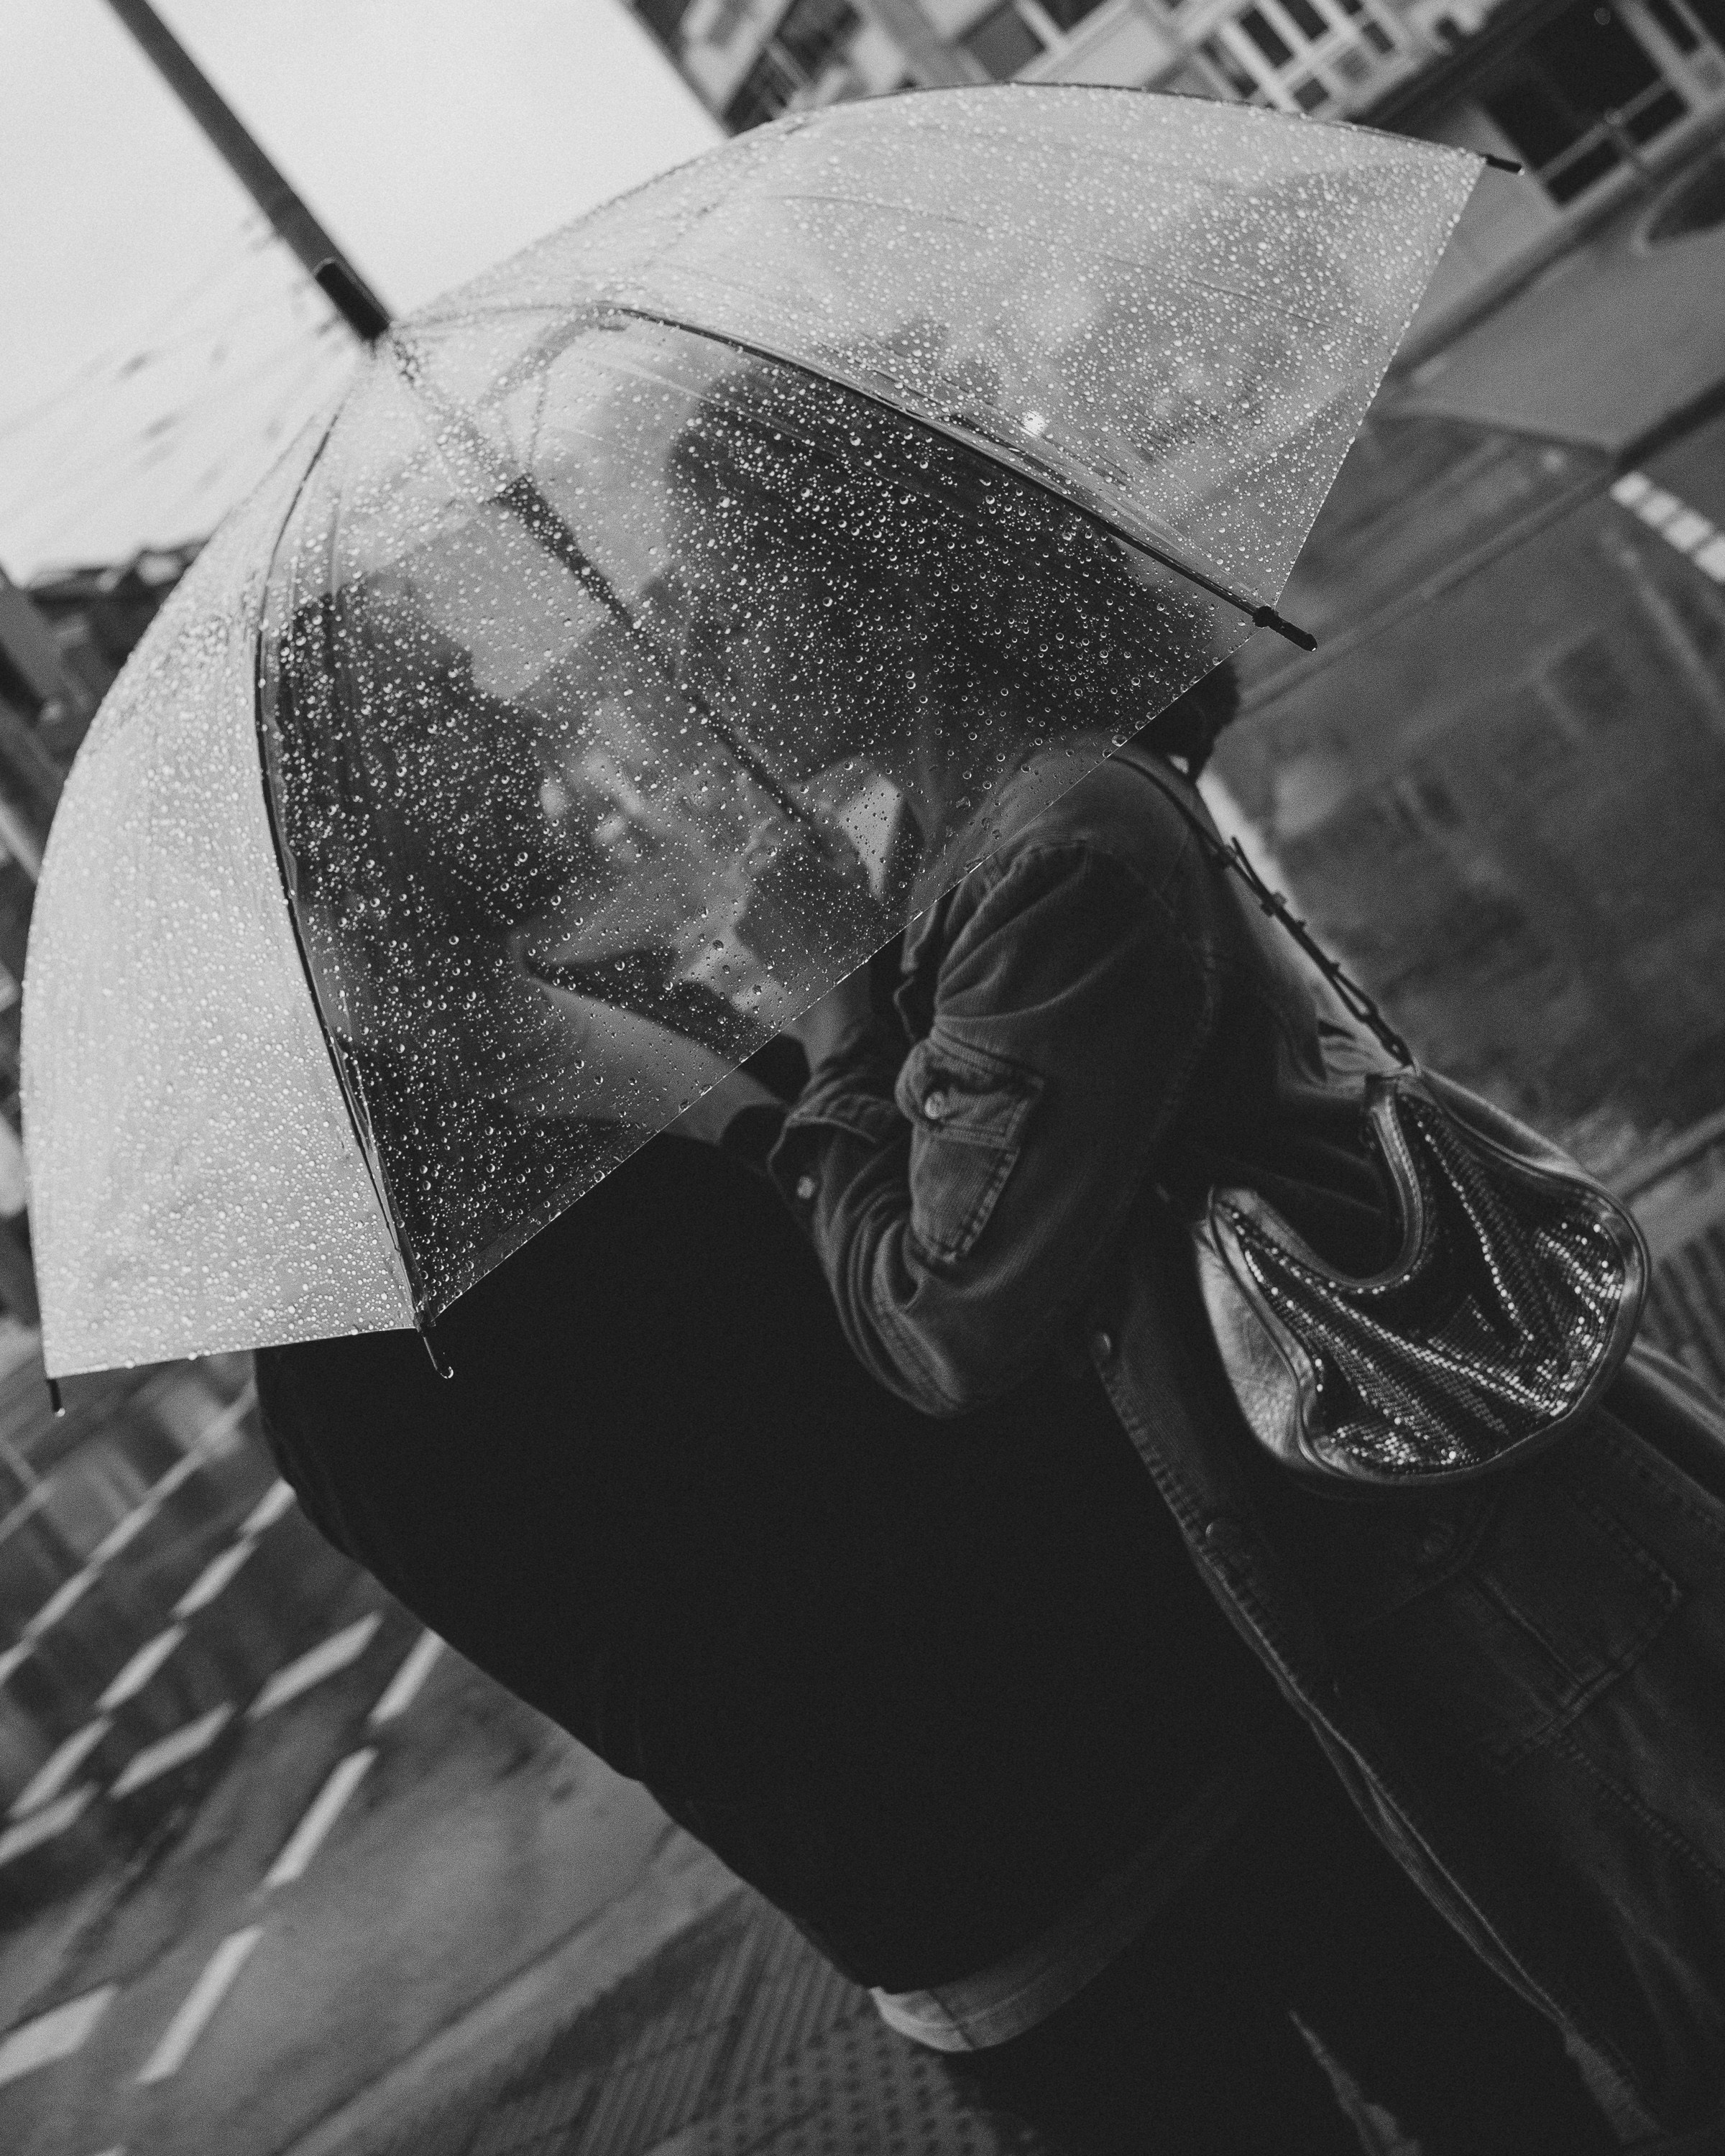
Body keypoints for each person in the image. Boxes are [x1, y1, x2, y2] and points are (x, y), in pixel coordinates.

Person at [658, 371, 1725, 2146]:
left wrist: (826, 1069)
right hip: (1405, 1535)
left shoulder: (1055, 849)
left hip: (1468, 1560)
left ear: (847, 579)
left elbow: (943, 1323)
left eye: (722, 587)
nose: (698, 636)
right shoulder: (971, 838)